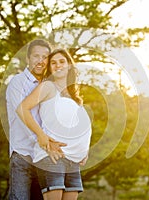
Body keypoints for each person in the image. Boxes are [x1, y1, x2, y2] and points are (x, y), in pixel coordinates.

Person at [16, 49, 92, 200]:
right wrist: (41, 136)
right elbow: (22, 109)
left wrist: (85, 151)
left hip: (73, 160)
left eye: (62, 62)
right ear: (49, 68)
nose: (58, 65)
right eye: (53, 63)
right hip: (52, 156)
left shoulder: (74, 96)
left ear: (69, 65)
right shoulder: (48, 87)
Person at [6, 39, 66, 200]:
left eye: (45, 57)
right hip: (23, 154)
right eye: (36, 56)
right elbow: (23, 115)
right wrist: (44, 140)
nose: (40, 61)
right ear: (28, 59)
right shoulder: (17, 82)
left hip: (45, 157)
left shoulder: (50, 85)